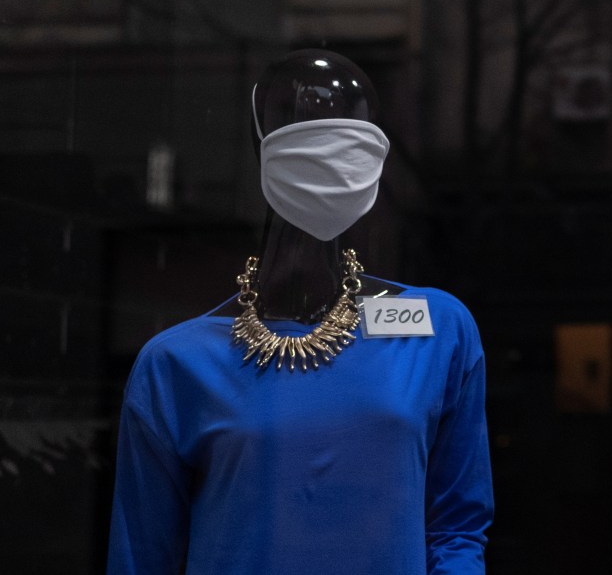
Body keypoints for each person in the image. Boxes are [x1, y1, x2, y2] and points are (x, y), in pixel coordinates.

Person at [106, 50, 493, 575]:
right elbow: (141, 556)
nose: (328, 152)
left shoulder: (438, 331)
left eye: (347, 130)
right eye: (301, 122)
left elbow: (457, 527)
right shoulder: (175, 364)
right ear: (259, 141)